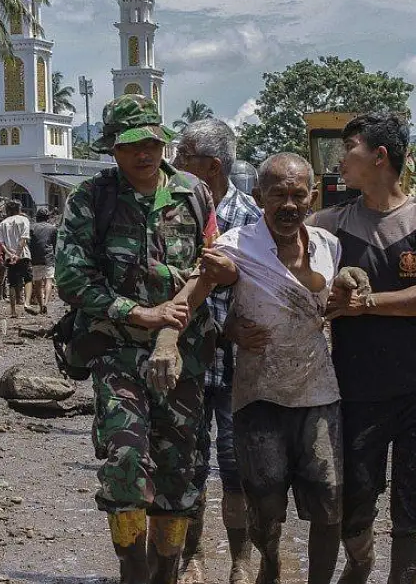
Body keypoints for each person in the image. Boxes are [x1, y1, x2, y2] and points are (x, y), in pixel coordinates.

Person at [55, 94, 219, 584]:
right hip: (117, 351)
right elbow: (71, 279)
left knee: (178, 467)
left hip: (184, 355)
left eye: (151, 142)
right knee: (126, 460)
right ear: (112, 149)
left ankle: (165, 571)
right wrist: (142, 314)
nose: (144, 154)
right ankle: (132, 570)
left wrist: (170, 327)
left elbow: (209, 265)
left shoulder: (193, 193)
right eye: (131, 146)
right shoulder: (92, 199)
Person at [308, 112, 416, 584]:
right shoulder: (328, 226)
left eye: (349, 147)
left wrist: (366, 304)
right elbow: (300, 279)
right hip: (357, 388)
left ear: (379, 157)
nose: (340, 159)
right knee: (353, 498)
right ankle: (360, 565)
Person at [204, 153, 344, 584]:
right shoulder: (234, 247)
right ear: (259, 196)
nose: (287, 204)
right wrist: (227, 328)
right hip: (257, 392)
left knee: (328, 495)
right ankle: (271, 567)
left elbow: (334, 305)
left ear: (311, 197)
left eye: (297, 195)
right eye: (277, 194)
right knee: (265, 500)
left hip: (318, 390)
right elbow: (196, 301)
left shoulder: (328, 245)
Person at [174, 119, 261, 584]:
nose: (175, 165)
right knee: (188, 467)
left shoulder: (250, 219)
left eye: (182, 158)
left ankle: (241, 561)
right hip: (184, 365)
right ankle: (192, 556)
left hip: (234, 368)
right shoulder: (171, 211)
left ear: (209, 166)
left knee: (235, 469)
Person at [0, 200, 32, 318]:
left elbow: (1, 243)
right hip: (23, 255)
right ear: (19, 209)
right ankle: (26, 303)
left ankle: (13, 310)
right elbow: (23, 239)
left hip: (9, 257)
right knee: (27, 279)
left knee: (12, 283)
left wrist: (10, 255)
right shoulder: (24, 220)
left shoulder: (3, 223)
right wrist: (17, 254)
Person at [29, 206, 58, 314]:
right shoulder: (53, 228)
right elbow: (55, 245)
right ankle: (46, 303)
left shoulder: (31, 227)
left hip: (35, 258)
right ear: (47, 217)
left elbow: (29, 243)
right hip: (49, 257)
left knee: (37, 282)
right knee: (49, 280)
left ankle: (41, 306)